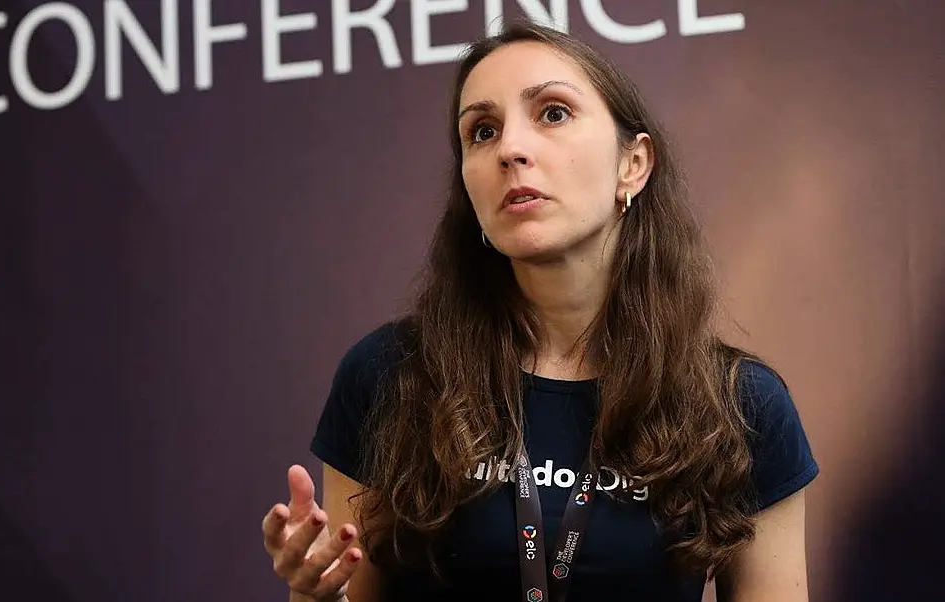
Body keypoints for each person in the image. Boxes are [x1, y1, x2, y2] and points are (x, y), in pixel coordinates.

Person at [261, 20, 818, 602]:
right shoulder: (387, 376)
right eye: (481, 131)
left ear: (633, 164)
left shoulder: (740, 405)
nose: (510, 149)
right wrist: (314, 595)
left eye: (553, 113)